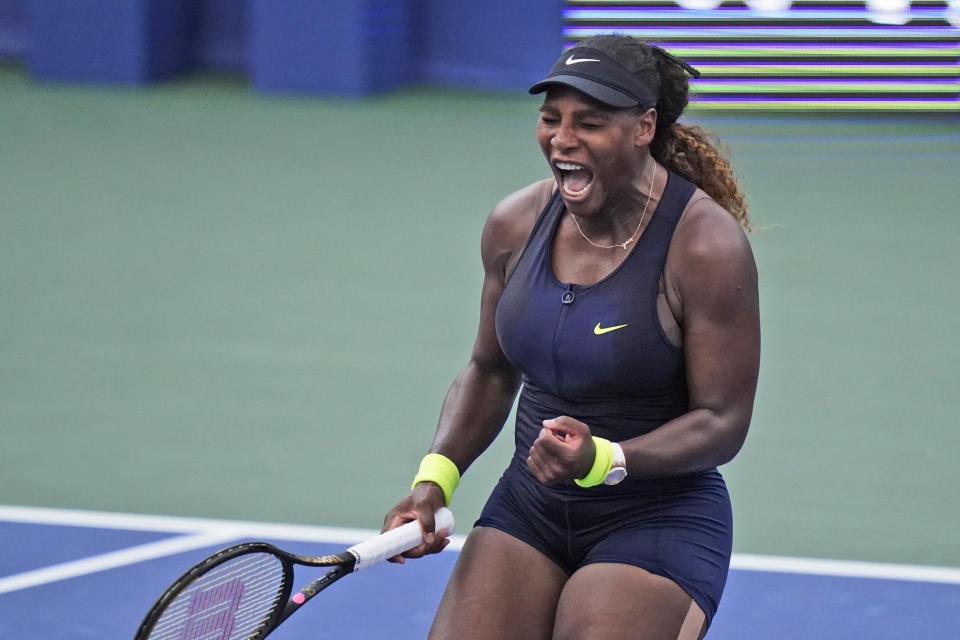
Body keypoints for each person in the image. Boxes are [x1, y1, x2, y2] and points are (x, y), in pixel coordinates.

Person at [382, 34, 760, 640]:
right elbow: (490, 370)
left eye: (589, 122)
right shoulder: (514, 224)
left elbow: (722, 421)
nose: (561, 138)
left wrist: (603, 459)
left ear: (644, 128)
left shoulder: (705, 247)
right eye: (551, 118)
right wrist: (433, 483)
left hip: (656, 516)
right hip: (529, 507)